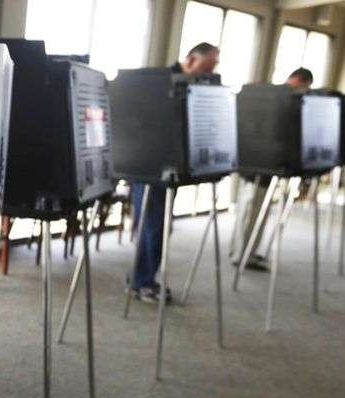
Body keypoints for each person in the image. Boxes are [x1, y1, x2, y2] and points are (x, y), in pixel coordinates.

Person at [130, 43, 220, 303]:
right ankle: (143, 282)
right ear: (192, 59)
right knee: (153, 226)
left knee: (158, 226)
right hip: (148, 165)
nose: (212, 71)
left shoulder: (195, 84)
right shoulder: (158, 80)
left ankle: (140, 278)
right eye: (209, 65)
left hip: (172, 166)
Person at [229, 68, 314, 270]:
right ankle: (242, 255)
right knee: (251, 210)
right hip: (261, 166)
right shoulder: (285, 99)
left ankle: (243, 251)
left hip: (252, 163)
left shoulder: (268, 95)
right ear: (301, 81)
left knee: (251, 210)